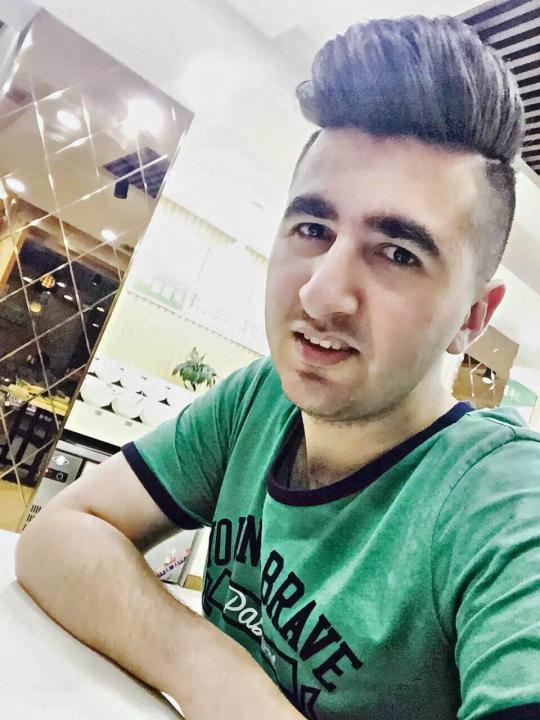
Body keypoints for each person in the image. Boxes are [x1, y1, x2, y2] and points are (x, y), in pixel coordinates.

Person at [15, 14, 540, 720]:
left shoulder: (505, 500)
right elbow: (60, 535)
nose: (321, 293)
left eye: (398, 253)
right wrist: (217, 677)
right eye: (313, 229)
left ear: (474, 317)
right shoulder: (259, 402)